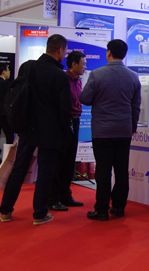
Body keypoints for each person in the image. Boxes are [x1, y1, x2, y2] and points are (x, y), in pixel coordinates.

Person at [0, 34, 71, 225]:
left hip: (26, 126)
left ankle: (6, 211)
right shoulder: (60, 76)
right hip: (50, 130)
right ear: (60, 50)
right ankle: (39, 214)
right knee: (46, 172)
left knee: (19, 169)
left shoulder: (27, 67)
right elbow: (64, 110)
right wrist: (66, 133)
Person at [80, 39, 141, 221]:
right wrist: (132, 126)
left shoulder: (97, 74)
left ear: (108, 53)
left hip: (102, 130)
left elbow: (84, 99)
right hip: (123, 130)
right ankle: (119, 207)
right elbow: (136, 106)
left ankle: (101, 209)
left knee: (103, 171)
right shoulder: (133, 76)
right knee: (121, 170)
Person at [48, 51, 87, 211]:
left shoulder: (78, 80)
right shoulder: (63, 79)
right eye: (83, 64)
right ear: (73, 64)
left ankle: (65, 195)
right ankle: (53, 198)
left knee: (70, 160)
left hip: (75, 121)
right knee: (60, 160)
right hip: (64, 122)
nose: (85, 67)